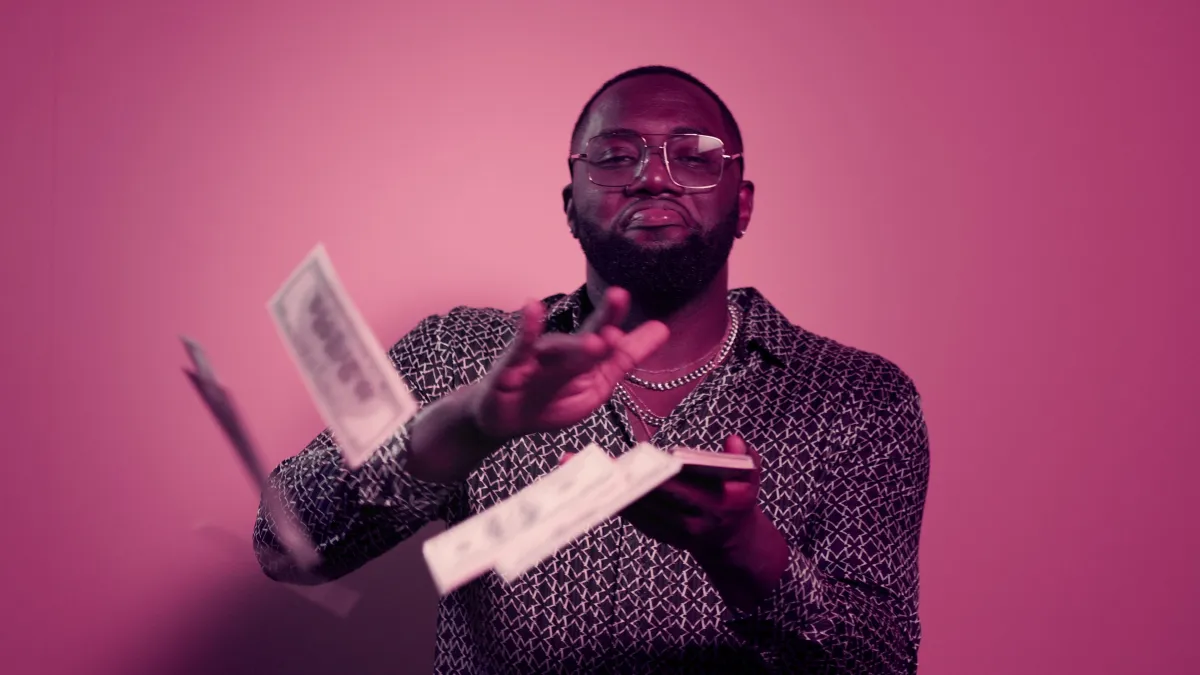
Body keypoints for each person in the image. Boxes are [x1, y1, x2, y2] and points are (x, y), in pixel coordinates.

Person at [253, 65, 930, 674]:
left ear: (743, 203)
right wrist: (470, 422)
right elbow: (288, 546)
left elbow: (882, 662)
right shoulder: (461, 355)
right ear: (570, 204)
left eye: (693, 156)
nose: (654, 176)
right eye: (614, 155)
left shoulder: (860, 399)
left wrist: (742, 549)